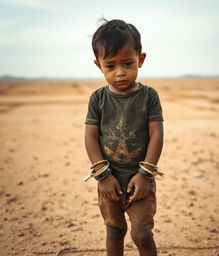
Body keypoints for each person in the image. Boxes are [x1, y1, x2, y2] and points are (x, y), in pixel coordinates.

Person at [84, 18, 164, 256]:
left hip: (140, 180)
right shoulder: (98, 99)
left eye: (127, 63)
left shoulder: (149, 96)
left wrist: (145, 174)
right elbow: (90, 136)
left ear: (141, 59)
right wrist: (103, 175)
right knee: (114, 231)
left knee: (142, 233)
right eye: (110, 66)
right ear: (99, 65)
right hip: (109, 180)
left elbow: (156, 133)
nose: (120, 72)